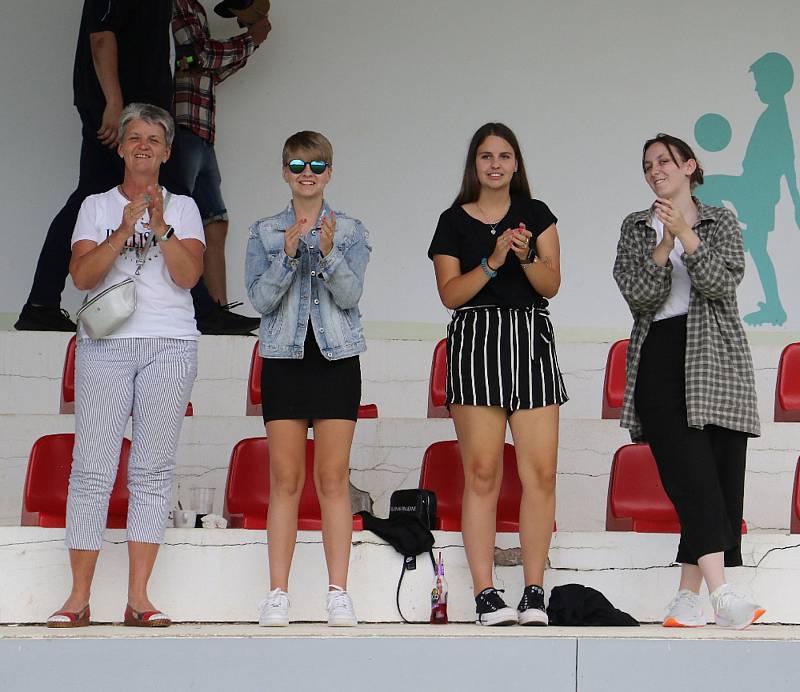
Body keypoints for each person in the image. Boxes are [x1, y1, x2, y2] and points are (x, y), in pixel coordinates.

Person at [46, 104, 205, 628]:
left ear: (165, 151)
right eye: (134, 136)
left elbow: (187, 277)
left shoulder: (184, 207)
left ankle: (139, 598)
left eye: (153, 139)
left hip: (170, 344)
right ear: (120, 147)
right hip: (107, 342)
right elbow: (82, 277)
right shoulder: (95, 205)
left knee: (153, 471)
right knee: (92, 469)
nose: (142, 145)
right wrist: (121, 230)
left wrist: (159, 227)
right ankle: (78, 598)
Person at [613, 133, 765, 629]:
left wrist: (690, 235)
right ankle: (723, 595)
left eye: (664, 161)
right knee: (691, 478)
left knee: (719, 482)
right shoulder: (637, 226)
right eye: (647, 165)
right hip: (660, 354)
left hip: (716, 357)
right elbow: (637, 294)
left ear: (689, 166)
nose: (655, 170)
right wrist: (665, 241)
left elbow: (723, 283)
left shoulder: (721, 220)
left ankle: (685, 597)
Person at [428, 123, 567, 626]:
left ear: (516, 163)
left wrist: (525, 254)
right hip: (476, 340)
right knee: (483, 472)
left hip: (529, 338)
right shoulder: (452, 222)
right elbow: (450, 294)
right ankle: (487, 593)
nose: (495, 164)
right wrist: (492, 260)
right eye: (486, 156)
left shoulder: (536, 213)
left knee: (540, 473)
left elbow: (550, 284)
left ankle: (534, 590)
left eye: (504, 155)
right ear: (475, 164)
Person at [245, 131, 370, 627]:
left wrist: (329, 250)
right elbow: (259, 300)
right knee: (285, 479)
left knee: (334, 478)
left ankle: (339, 592)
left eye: (317, 165)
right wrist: (291, 254)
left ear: (330, 172)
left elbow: (350, 294)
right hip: (284, 359)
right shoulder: (263, 232)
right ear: (284, 172)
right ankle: (278, 593)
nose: (307, 173)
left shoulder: (352, 229)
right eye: (297, 164)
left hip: (337, 358)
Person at [16, 0, 175, 332]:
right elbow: (101, 36)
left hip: (139, 106)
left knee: (139, 195)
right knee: (95, 195)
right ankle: (40, 302)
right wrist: (115, 103)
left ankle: (41, 302)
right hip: (123, 109)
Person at [172, 0, 271, 332]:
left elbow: (205, 69)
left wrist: (250, 43)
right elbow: (200, 55)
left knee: (215, 223)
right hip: (181, 129)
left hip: (199, 131)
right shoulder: (179, 5)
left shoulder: (193, 7)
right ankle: (196, 310)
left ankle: (215, 310)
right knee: (179, 219)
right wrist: (250, 40)